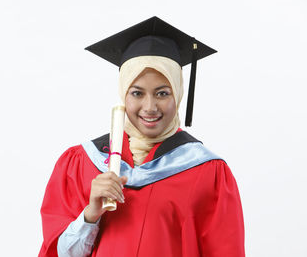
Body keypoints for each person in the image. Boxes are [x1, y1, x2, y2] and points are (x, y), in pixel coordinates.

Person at [38, 16, 245, 257]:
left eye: (162, 93)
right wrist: (90, 215)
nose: (150, 107)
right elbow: (59, 253)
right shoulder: (82, 163)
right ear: (123, 93)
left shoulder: (208, 172)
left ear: (177, 95)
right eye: (137, 93)